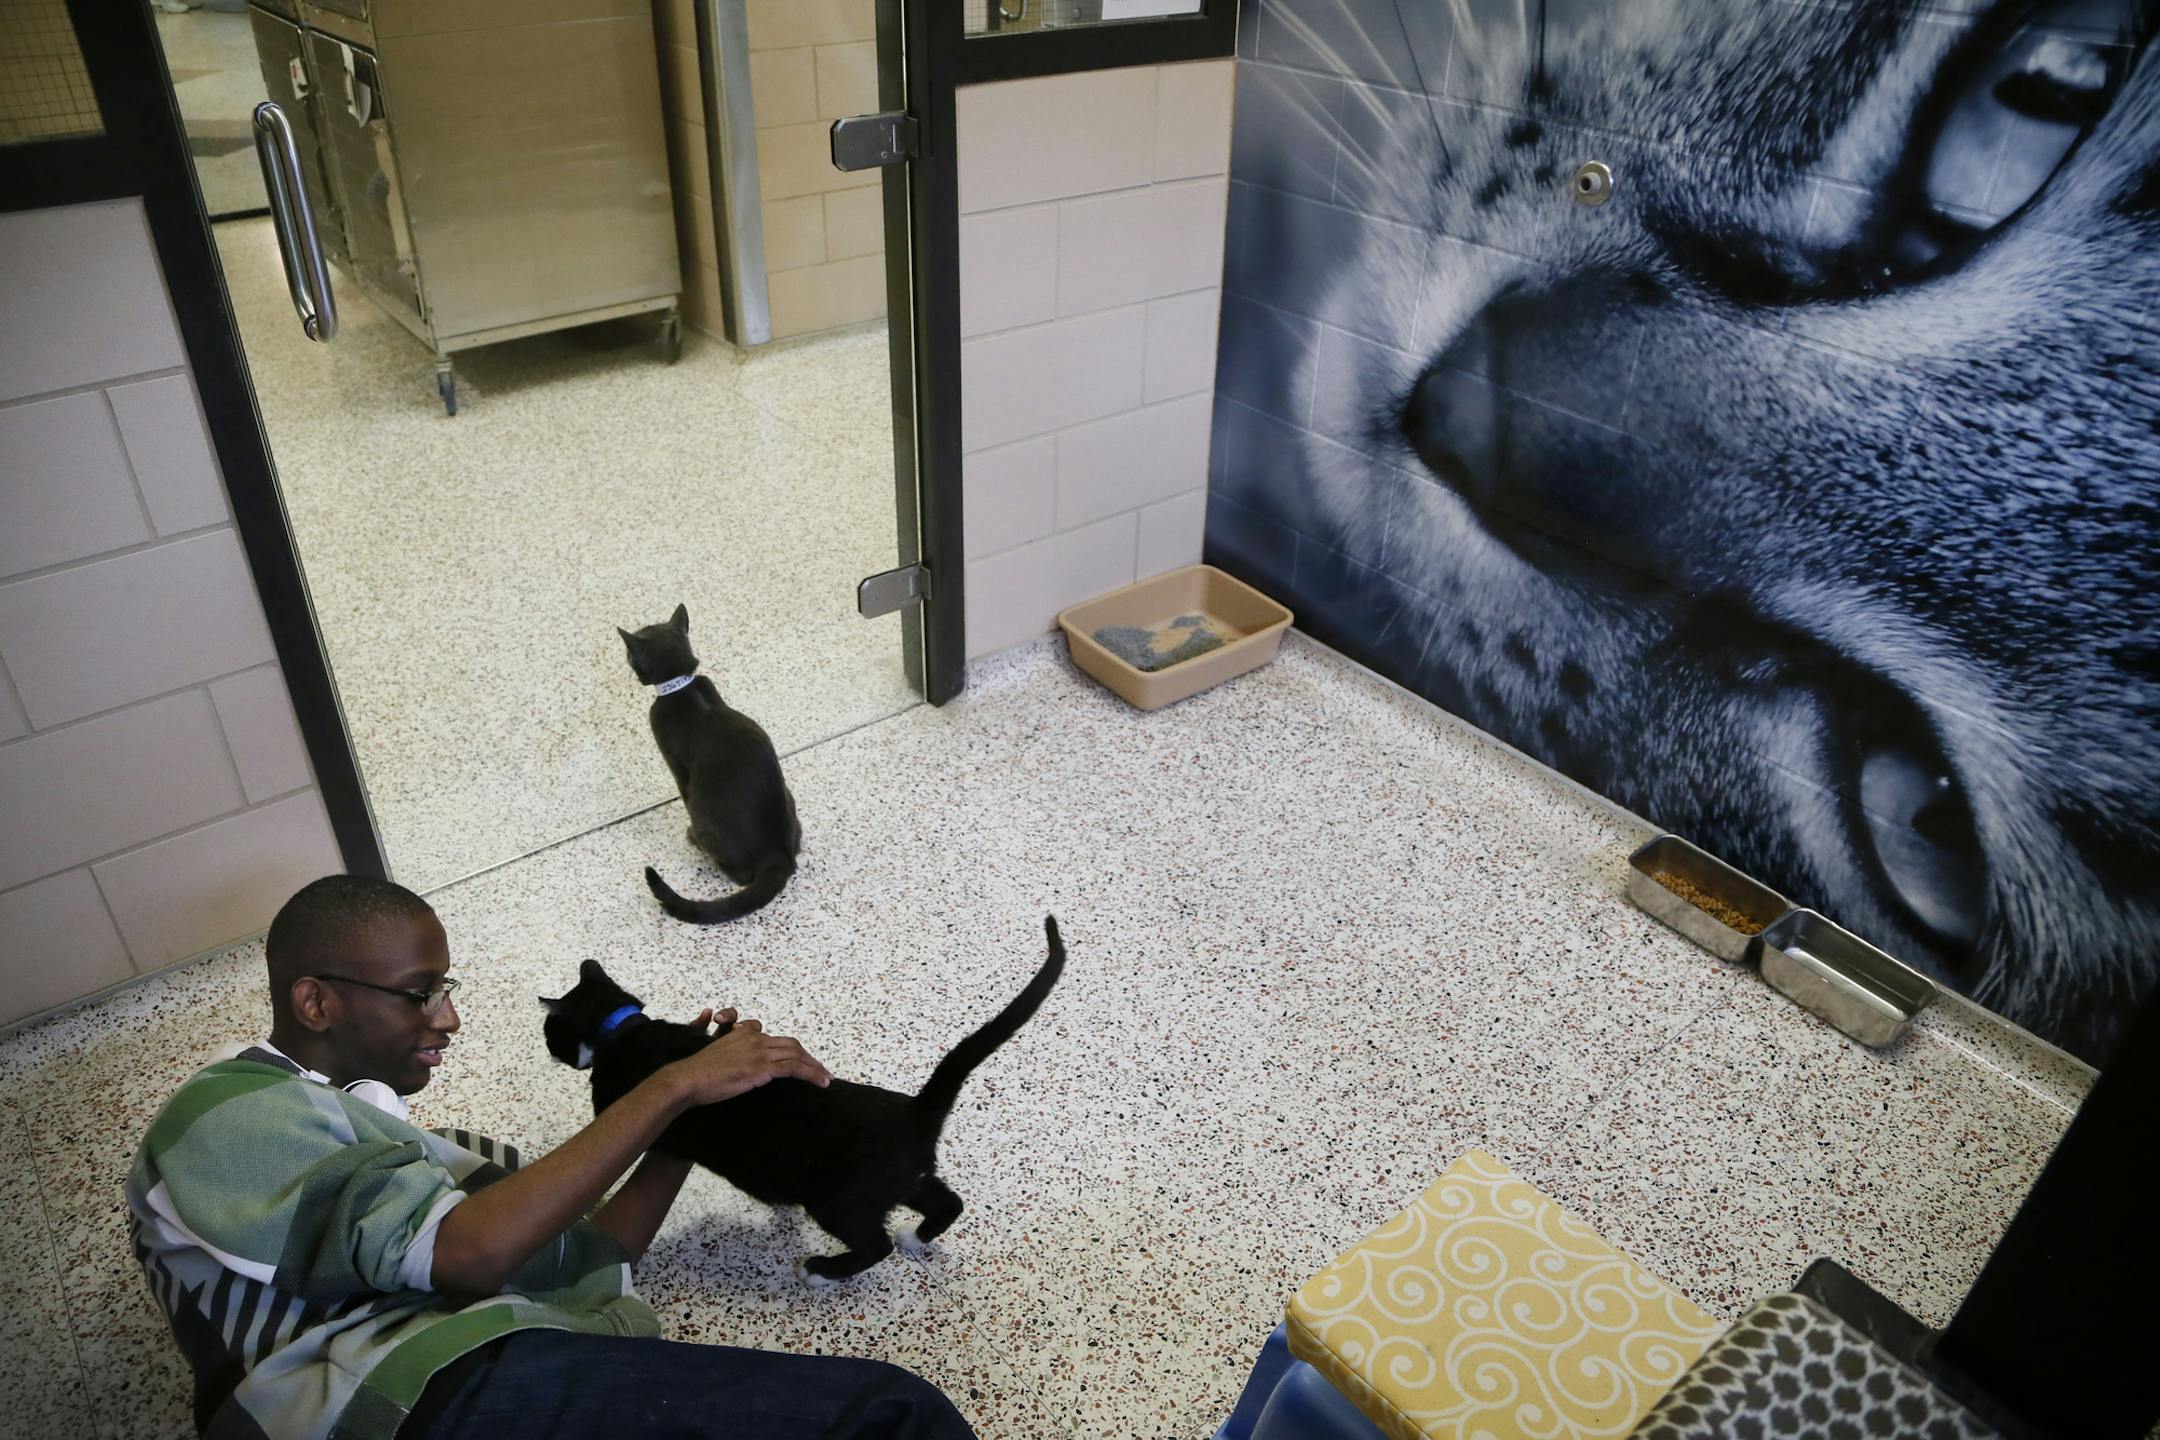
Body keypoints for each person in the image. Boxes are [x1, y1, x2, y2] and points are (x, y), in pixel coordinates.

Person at [126, 874, 978, 1440]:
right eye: (421, 992)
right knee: (890, 1417)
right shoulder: (225, 1108)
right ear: (314, 1001)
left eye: (446, 991)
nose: (448, 1018)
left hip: (453, 1379)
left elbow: (597, 1251)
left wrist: (702, 1113)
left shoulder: (410, 1149)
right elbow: (467, 1255)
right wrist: (671, 1088)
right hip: (400, 1397)